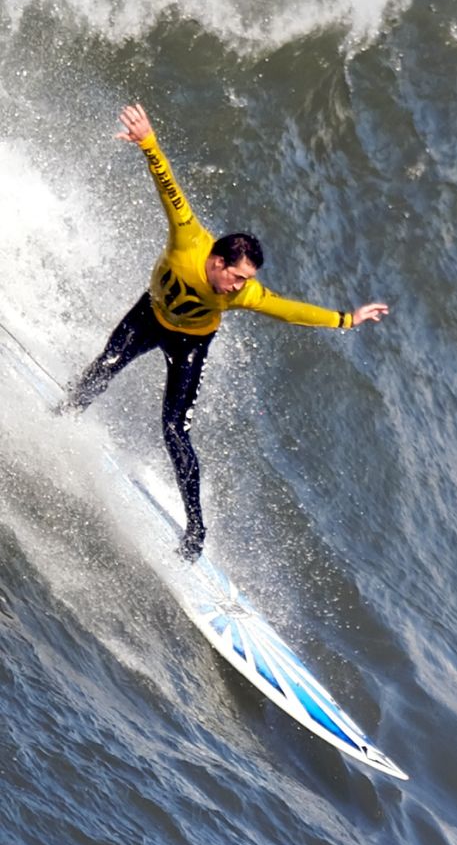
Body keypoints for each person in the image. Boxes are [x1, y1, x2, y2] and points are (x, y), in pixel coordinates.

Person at [64, 102, 388, 561]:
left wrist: (345, 319)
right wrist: (148, 142)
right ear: (217, 262)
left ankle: (195, 530)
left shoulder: (244, 294)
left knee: (175, 431)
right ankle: (63, 414)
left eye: (247, 280)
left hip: (190, 342)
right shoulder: (188, 238)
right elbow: (168, 187)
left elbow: (291, 310)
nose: (242, 287)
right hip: (149, 314)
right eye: (237, 277)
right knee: (106, 364)